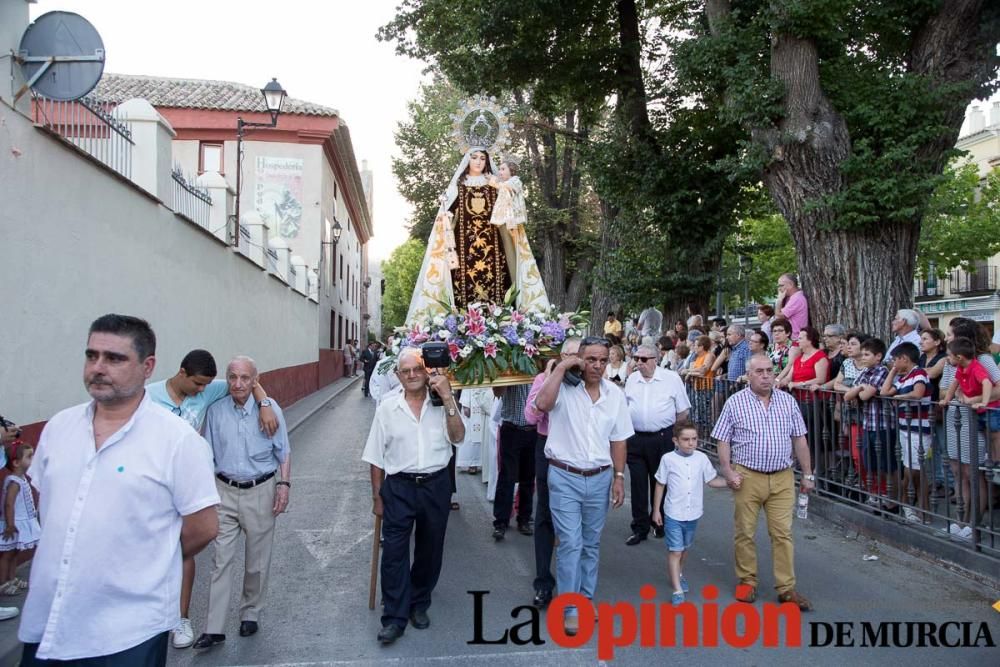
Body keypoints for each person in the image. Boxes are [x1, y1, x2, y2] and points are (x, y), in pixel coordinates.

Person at [20, 314, 219, 664]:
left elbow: (203, 527)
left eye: (114, 358)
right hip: (47, 623)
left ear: (148, 366)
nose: (98, 367)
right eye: (91, 355)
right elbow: (52, 509)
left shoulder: (177, 441)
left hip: (127, 633)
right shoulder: (58, 429)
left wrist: (145, 555)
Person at [147, 349, 278, 649]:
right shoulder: (150, 398)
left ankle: (182, 620)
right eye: (198, 384)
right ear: (182, 374)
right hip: (155, 487)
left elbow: (246, 381)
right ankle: (150, 615)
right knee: (151, 552)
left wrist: (265, 404)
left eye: (207, 384)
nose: (204, 390)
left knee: (186, 552)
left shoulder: (209, 390)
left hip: (187, 488)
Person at [362, 348, 465, 645]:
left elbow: (458, 436)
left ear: (427, 371)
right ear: (397, 376)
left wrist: (447, 398)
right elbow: (376, 457)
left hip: (436, 485)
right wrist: (376, 497)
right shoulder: (387, 408)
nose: (411, 375)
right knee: (394, 553)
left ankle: (419, 603)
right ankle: (394, 617)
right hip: (399, 487)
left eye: (416, 369)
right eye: (405, 371)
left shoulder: (443, 401)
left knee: (430, 549)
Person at [533, 336, 633, 636]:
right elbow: (541, 404)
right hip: (564, 477)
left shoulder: (614, 394)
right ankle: (570, 607)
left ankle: (586, 598)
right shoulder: (562, 386)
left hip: (600, 478)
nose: (598, 366)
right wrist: (563, 367)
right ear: (579, 359)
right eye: (591, 359)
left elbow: (618, 439)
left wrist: (618, 477)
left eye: (603, 360)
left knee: (590, 544)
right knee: (571, 543)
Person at [193, 357, 291, 650]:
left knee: (257, 561)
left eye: (244, 378)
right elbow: (206, 456)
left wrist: (284, 485)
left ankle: (250, 613)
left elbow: (283, 451)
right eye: (232, 377)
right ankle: (214, 628)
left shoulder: (270, 410)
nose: (238, 384)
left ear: (255, 380)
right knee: (220, 560)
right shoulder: (215, 411)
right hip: (223, 491)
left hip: (260, 489)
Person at [712, 354, 814, 610]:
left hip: (782, 477)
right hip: (748, 476)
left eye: (770, 370)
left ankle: (786, 588)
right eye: (760, 371)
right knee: (745, 532)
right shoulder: (735, 403)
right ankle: (747, 580)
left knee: (783, 534)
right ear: (749, 375)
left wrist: (808, 474)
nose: (766, 375)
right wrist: (727, 470)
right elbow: (723, 439)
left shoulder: (787, 402)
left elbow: (799, 439)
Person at [407, 147, 548, 321]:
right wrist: (446, 217)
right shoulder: (459, 185)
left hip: (493, 245)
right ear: (468, 160)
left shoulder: (495, 183)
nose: (479, 161)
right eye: (474, 157)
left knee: (497, 282)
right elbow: (451, 212)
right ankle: (463, 323)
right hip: (463, 245)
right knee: (461, 283)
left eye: (482, 158)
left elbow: (509, 205)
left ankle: (497, 321)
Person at [523, 337, 581, 609]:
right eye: (566, 354)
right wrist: (548, 381)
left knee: (576, 522)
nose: (570, 360)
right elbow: (530, 417)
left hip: (577, 452)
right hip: (547, 449)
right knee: (545, 515)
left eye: (575, 355)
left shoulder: (588, 384)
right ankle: (543, 583)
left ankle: (575, 583)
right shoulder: (543, 379)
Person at [650, 421, 729, 604]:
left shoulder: (701, 458)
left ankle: (678, 573)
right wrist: (656, 511)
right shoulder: (668, 459)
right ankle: (677, 590)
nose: (691, 443)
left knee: (684, 549)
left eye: (694, 439)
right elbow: (660, 484)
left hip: (693, 513)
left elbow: (711, 480)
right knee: (675, 550)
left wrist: (729, 483)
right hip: (673, 513)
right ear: (675, 441)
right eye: (686, 439)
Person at [623, 344, 690, 546]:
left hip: (662, 437)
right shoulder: (632, 380)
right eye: (636, 358)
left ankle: (659, 521)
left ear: (655, 360)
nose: (639, 363)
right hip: (635, 438)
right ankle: (639, 527)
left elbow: (682, 410)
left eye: (644, 359)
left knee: (660, 481)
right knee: (637, 483)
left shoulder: (671, 379)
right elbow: (626, 407)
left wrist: (674, 436)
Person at [881, 342, 932, 523]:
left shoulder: (919, 373)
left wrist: (899, 397)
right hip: (905, 427)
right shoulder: (903, 378)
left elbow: (918, 393)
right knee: (909, 466)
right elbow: (885, 391)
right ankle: (909, 504)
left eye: (895, 360)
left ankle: (918, 506)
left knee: (916, 468)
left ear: (904, 358)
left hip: (919, 427)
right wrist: (893, 372)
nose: (893, 363)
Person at [844, 338, 896, 512]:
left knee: (884, 462)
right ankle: (874, 493)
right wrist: (860, 388)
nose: (863, 357)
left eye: (867, 354)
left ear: (878, 356)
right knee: (869, 461)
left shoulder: (881, 371)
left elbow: (866, 396)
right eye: (863, 354)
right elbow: (848, 395)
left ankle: (888, 496)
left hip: (882, 424)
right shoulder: (865, 372)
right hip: (868, 423)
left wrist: (860, 389)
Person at [492, 383, 536, 540]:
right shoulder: (511, 365)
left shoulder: (538, 368)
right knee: (507, 477)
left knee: (528, 477)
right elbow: (497, 391)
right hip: (511, 429)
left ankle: (524, 518)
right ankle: (500, 522)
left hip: (533, 430)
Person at [0, 441, 40, 595]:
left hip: (20, 522)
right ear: (16, 462)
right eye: (29, 456)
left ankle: (11, 578)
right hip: (14, 523)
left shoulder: (22, 478)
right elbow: (8, 504)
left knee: (16, 551)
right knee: (8, 554)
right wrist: (10, 524)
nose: (33, 459)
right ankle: (3, 583)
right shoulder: (14, 482)